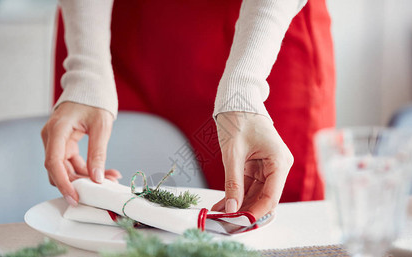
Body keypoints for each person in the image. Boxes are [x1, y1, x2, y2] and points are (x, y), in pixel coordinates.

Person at [41, 0, 335, 219]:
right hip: (108, 31)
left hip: (261, 32)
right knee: (103, 222)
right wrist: (87, 73)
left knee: (271, 217)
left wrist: (245, 87)